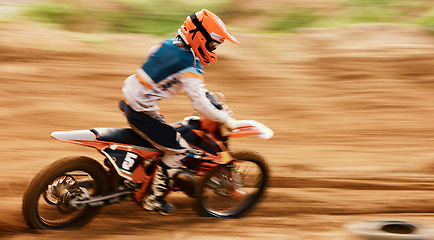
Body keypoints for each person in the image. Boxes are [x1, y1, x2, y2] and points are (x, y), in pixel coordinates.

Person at [120, 9, 240, 215]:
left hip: (129, 100)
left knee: (162, 136)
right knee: (179, 149)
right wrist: (225, 119)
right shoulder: (190, 64)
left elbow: (160, 68)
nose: (213, 48)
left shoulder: (166, 44)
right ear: (199, 37)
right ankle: (154, 199)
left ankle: (133, 178)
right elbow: (200, 105)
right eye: (212, 43)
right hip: (141, 111)